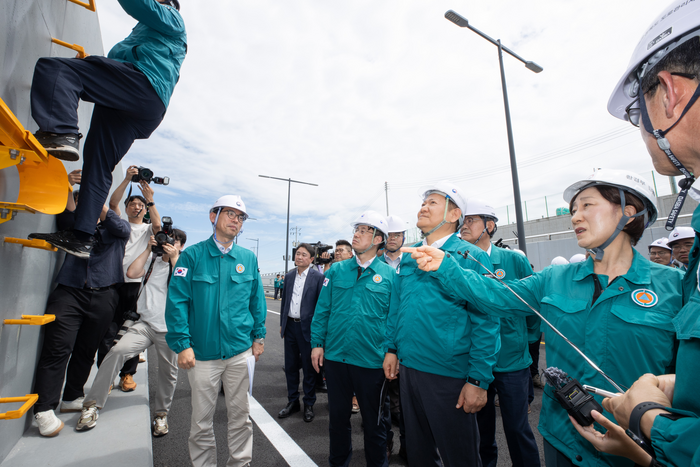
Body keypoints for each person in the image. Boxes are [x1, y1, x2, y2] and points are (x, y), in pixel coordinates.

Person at [403, 169, 685, 467]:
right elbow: (494, 295)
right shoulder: (554, 278)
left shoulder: (676, 287)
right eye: (574, 210)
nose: (575, 216)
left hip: (640, 445)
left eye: (587, 206)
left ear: (628, 213)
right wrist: (447, 267)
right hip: (564, 438)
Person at [577, 3, 700, 465]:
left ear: (668, 94)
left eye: (637, 112)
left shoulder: (667, 283)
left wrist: (648, 418)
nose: (642, 130)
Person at [27, 0, 186, 258]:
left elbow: (138, 4)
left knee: (56, 69)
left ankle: (61, 131)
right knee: (98, 165)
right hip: (136, 106)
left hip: (141, 86)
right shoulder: (151, 34)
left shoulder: (171, 18)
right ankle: (82, 236)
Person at [383, 181, 500, 467]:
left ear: (453, 214)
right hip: (410, 369)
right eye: (423, 202)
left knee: (460, 456)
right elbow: (397, 307)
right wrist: (392, 349)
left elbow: (487, 321)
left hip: (449, 374)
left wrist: (478, 379)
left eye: (433, 202)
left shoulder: (470, 257)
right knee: (419, 454)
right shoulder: (409, 256)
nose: (423, 207)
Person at [165, 195, 266, 467]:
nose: (236, 220)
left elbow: (257, 301)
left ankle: (240, 464)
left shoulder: (247, 258)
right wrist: (182, 344)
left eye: (240, 217)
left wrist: (259, 336)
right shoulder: (192, 255)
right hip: (202, 355)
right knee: (200, 422)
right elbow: (177, 302)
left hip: (239, 352)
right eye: (230, 214)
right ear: (214, 216)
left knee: (241, 417)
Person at [32, 204, 130, 437]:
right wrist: (70, 190)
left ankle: (72, 395)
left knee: (87, 350)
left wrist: (94, 200)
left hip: (105, 294)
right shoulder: (75, 230)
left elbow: (118, 225)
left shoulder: (119, 229)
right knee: (58, 349)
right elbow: (65, 217)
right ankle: (44, 408)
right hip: (70, 292)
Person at [76, 229, 186, 435]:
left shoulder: (185, 267)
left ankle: (161, 415)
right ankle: (91, 405)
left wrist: (175, 259)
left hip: (170, 330)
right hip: (144, 325)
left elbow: (185, 288)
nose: (169, 244)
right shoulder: (152, 262)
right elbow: (132, 273)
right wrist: (148, 249)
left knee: (169, 373)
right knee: (116, 352)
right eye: (167, 240)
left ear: (181, 247)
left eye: (175, 242)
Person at [459, 198, 541, 467]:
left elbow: (532, 306)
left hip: (512, 361)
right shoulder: (458, 262)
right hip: (474, 361)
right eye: (463, 220)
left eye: (471, 220)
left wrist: (527, 342)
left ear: (490, 225)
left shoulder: (513, 259)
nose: (464, 225)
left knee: (517, 428)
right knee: (479, 431)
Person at [311, 210, 396, 467]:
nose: (356, 234)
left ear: (379, 238)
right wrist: (317, 344)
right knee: (337, 421)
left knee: (374, 424)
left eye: (363, 230)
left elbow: (395, 318)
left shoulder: (391, 276)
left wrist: (392, 350)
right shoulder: (336, 271)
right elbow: (322, 309)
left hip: (371, 362)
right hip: (336, 358)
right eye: (356, 230)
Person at [97, 165, 163, 392]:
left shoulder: (146, 229)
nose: (137, 206)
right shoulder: (119, 224)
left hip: (136, 287)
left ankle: (128, 374)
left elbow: (157, 225)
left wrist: (150, 200)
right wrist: (126, 179)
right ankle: (105, 377)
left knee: (132, 331)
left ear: (144, 210)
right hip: (112, 282)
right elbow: (113, 203)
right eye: (132, 204)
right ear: (126, 208)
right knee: (108, 330)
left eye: (140, 205)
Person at [278, 243, 325, 422]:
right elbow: (285, 301)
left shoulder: (318, 278)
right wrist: (283, 322)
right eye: (297, 254)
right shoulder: (289, 276)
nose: (299, 257)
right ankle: (292, 401)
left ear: (311, 259)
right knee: (290, 366)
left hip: (309, 328)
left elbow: (321, 306)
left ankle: (309, 404)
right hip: (290, 327)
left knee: (308, 368)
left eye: (304, 255)